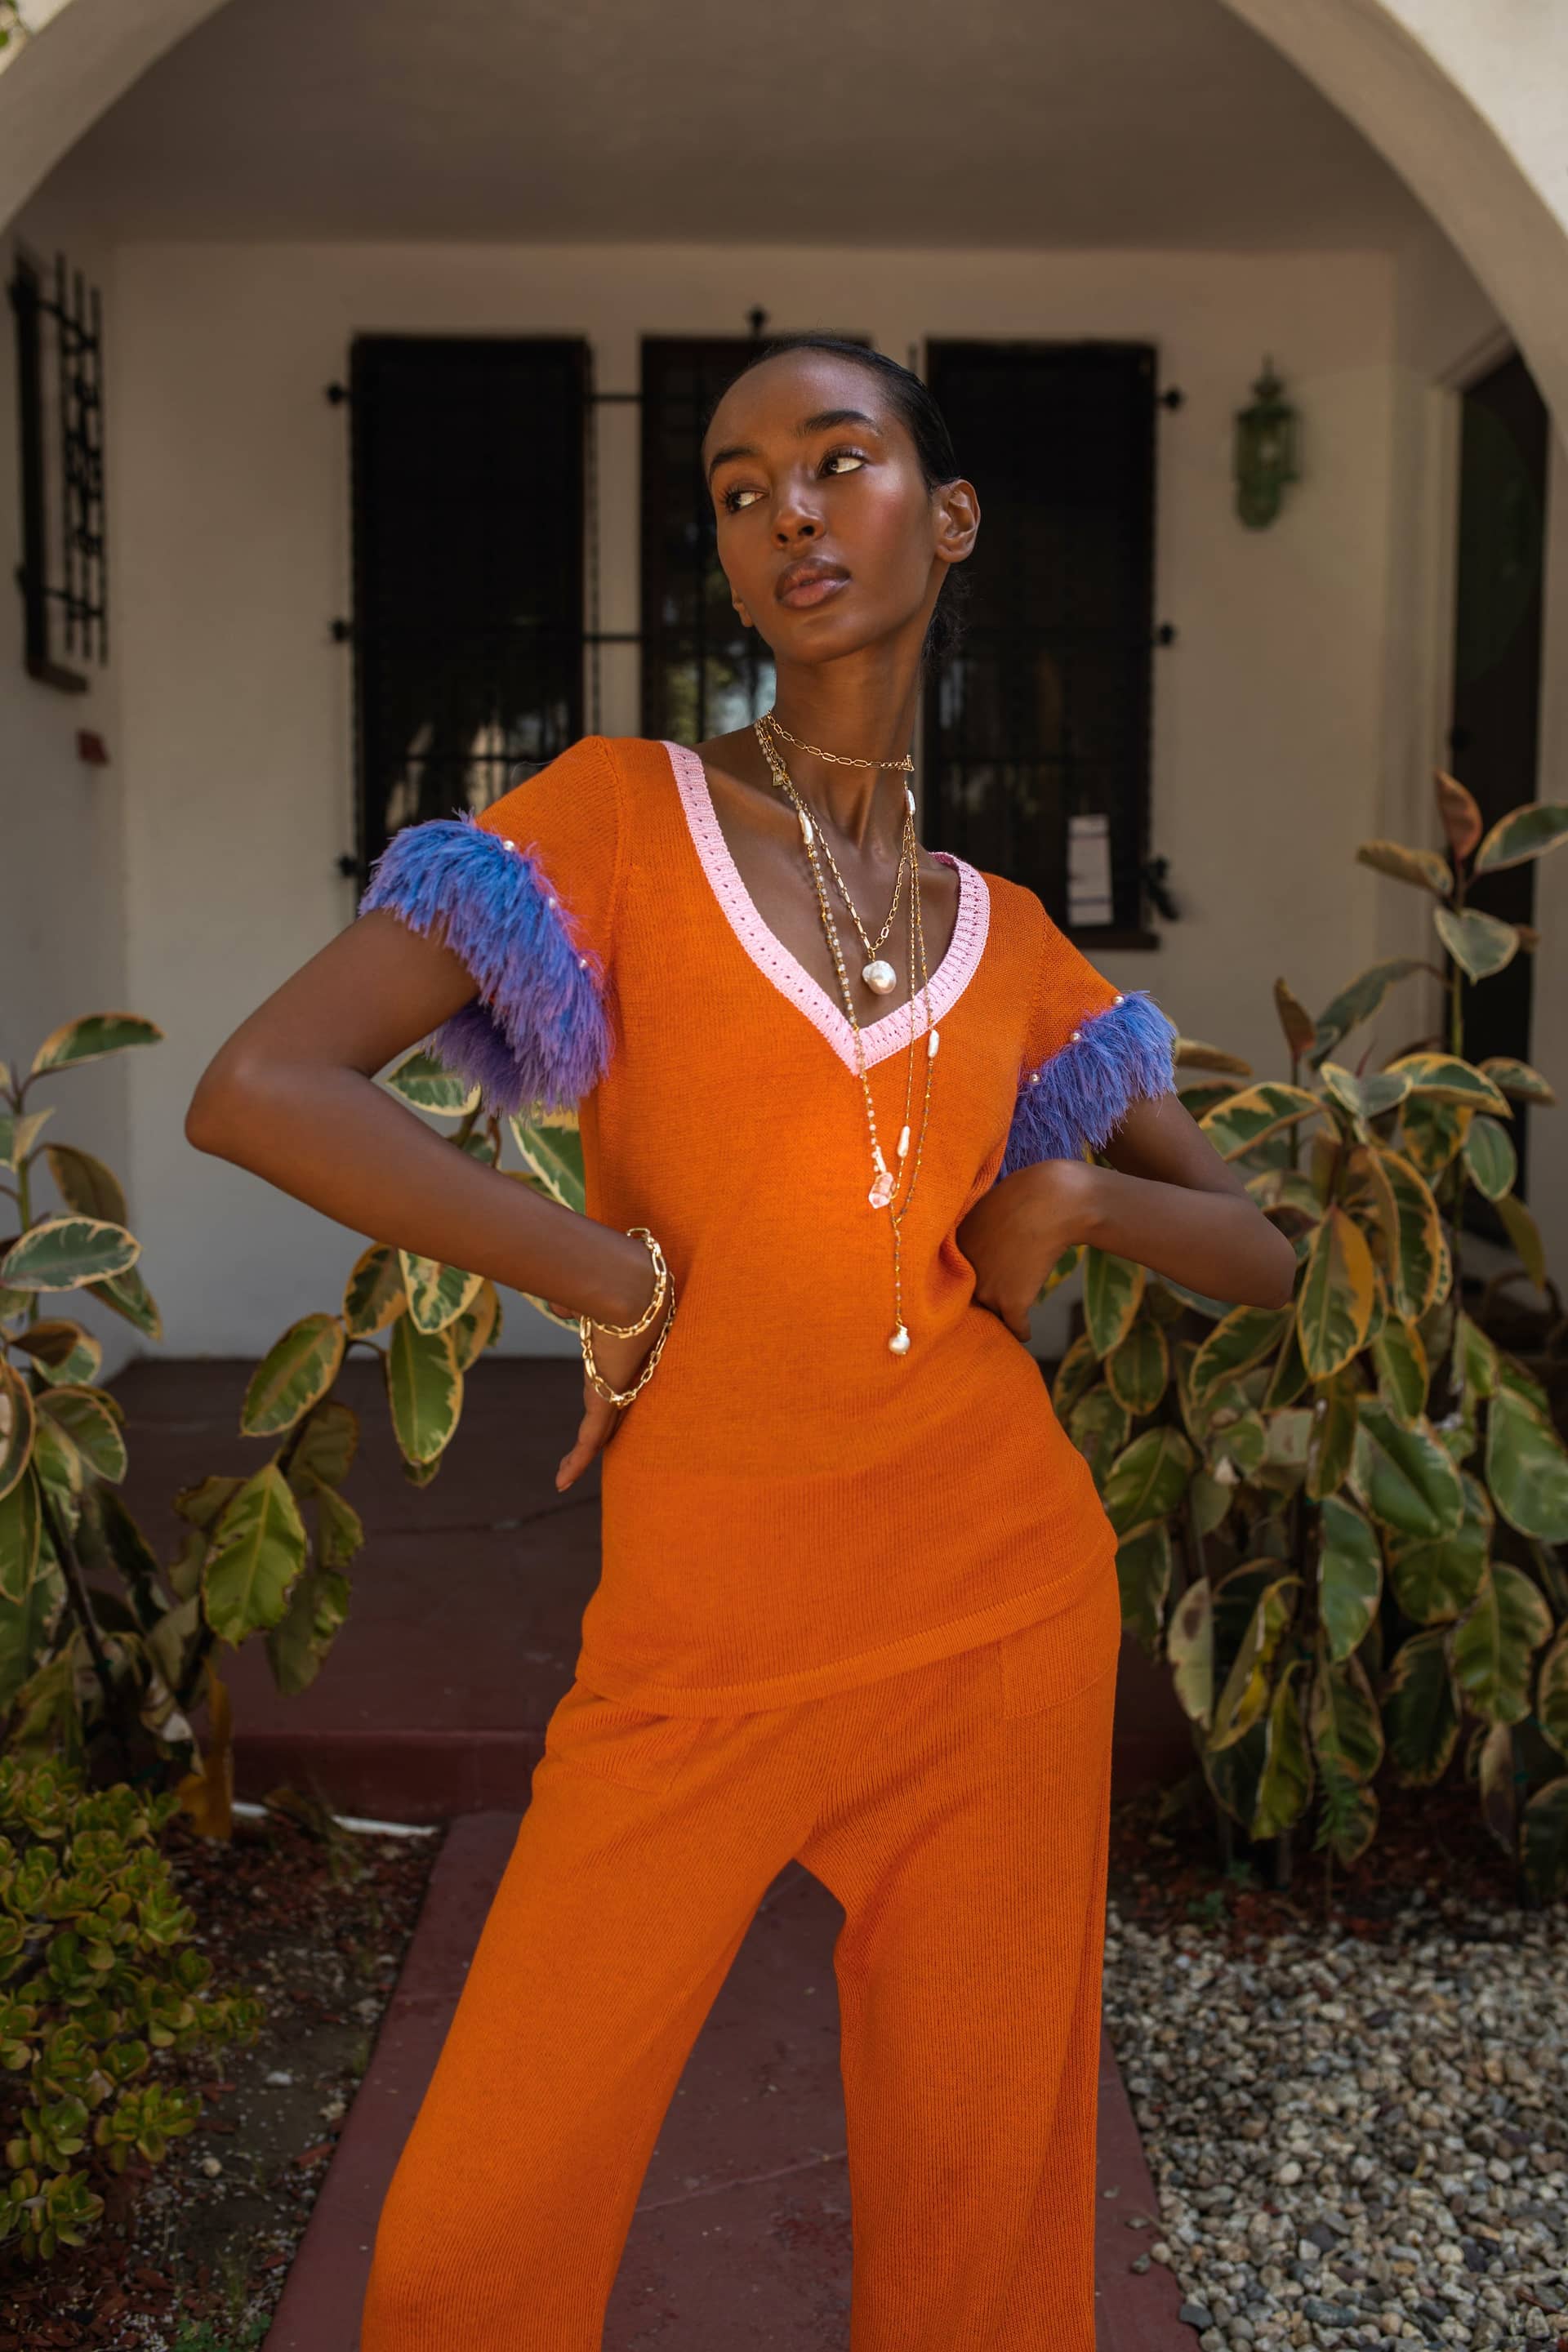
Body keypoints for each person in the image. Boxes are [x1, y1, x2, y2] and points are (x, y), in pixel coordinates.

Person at [185, 333, 1296, 2352]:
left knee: (987, 2206)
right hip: (700, 1644)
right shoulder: (618, 819)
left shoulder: (1015, 937)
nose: (788, 506)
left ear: (944, 520)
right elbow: (264, 1084)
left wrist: (1074, 1199)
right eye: (735, 482)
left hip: (998, 1605)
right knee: (476, 2232)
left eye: (840, 459)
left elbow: (1273, 1252)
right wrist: (606, 1276)